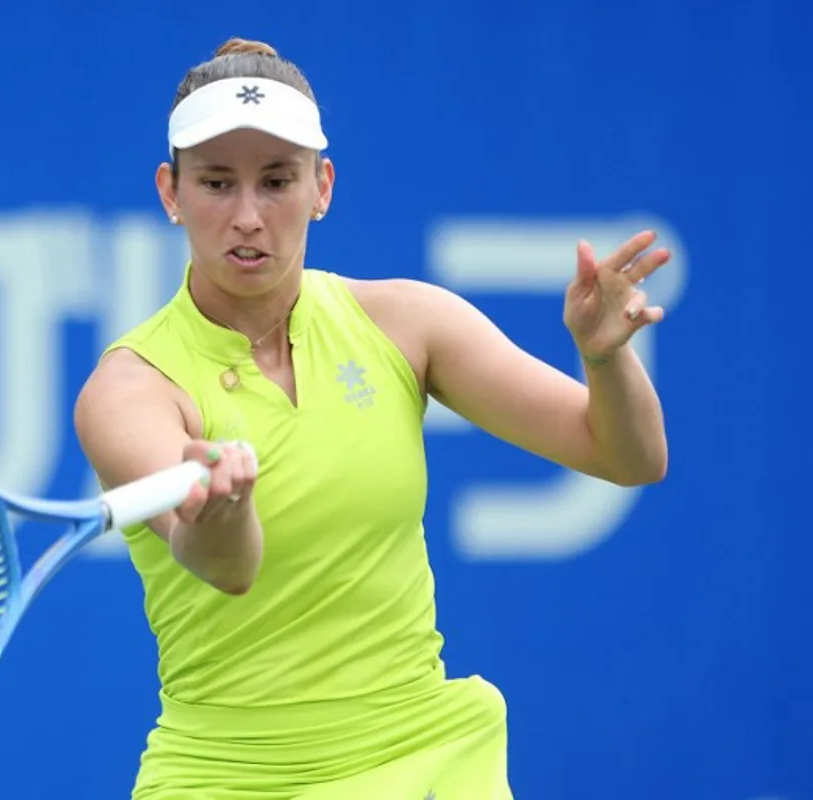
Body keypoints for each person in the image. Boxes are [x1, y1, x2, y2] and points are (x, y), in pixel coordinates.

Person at [74, 36, 669, 800]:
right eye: (217, 183)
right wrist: (223, 507)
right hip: (230, 779)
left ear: (322, 186)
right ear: (171, 192)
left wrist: (604, 359)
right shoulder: (131, 388)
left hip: (427, 758)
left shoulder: (405, 323)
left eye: (277, 181)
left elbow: (627, 456)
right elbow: (225, 565)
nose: (249, 216)